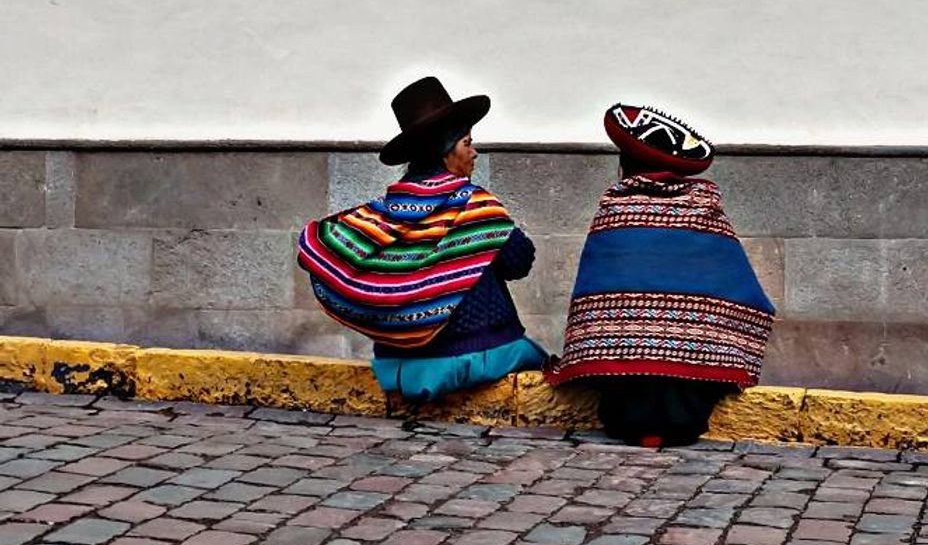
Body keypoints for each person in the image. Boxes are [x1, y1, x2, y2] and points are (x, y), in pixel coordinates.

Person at [298, 76, 546, 406]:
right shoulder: (474, 205)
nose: (474, 152)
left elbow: (326, 247)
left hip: (397, 367)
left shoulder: (386, 213)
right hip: (473, 357)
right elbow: (519, 262)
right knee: (539, 358)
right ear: (446, 152)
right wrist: (488, 236)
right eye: (467, 143)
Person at [546, 104, 775, 447]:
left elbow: (594, 300)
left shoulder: (616, 207)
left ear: (626, 165)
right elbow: (737, 285)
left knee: (629, 387)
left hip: (620, 403)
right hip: (691, 399)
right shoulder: (703, 209)